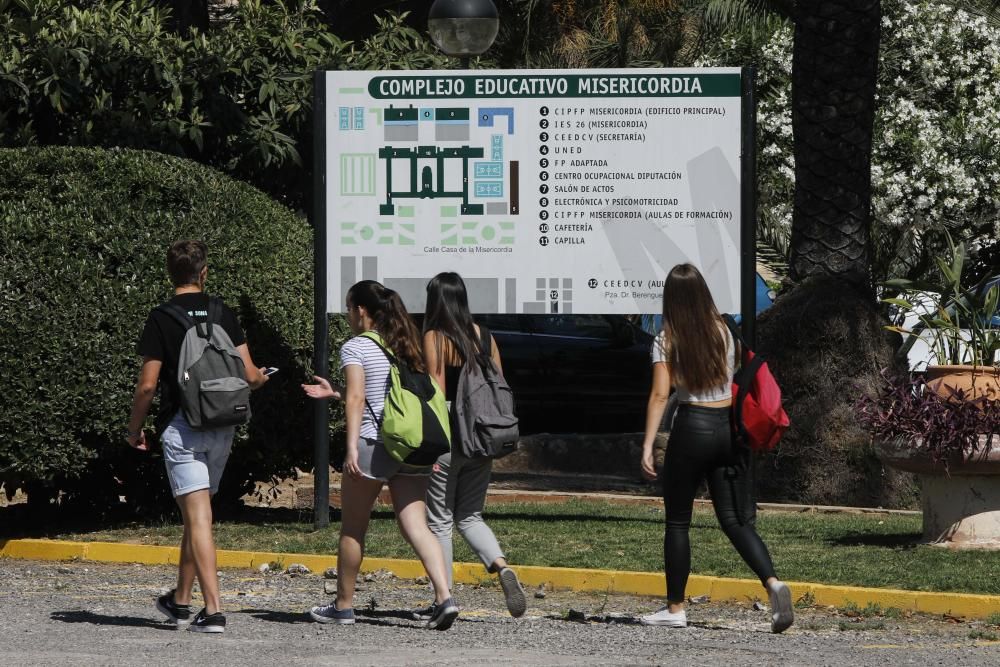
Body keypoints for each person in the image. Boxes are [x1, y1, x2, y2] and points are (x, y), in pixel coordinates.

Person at [638, 263, 793, 633]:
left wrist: (647, 445)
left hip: (691, 427)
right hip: (727, 428)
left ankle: (675, 608)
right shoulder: (725, 331)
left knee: (677, 521)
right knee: (734, 520)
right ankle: (773, 583)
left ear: (671, 300)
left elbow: (661, 394)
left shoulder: (667, 339)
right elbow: (736, 373)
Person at [126, 240, 270, 633]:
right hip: (223, 426)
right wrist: (260, 380)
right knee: (198, 517)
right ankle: (181, 601)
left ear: (170, 273)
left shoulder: (161, 317)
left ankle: (214, 610)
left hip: (184, 426)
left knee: (199, 518)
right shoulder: (223, 311)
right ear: (204, 272)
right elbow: (251, 374)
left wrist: (134, 429)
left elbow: (147, 386)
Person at [302, 280, 459, 631]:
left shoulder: (356, 346)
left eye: (348, 308)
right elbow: (388, 398)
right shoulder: (406, 345)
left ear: (360, 311)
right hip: (410, 445)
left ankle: (343, 606)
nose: (347, 316)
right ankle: (444, 597)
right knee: (417, 525)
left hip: (374, 445)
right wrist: (335, 393)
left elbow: (360, 398)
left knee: (353, 529)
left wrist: (351, 447)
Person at [415, 272, 526, 620]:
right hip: (482, 438)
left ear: (436, 301)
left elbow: (436, 391)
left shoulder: (435, 336)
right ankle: (500, 564)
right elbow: (499, 389)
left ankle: (443, 598)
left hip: (449, 438)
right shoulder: (486, 336)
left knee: (439, 521)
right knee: (470, 515)